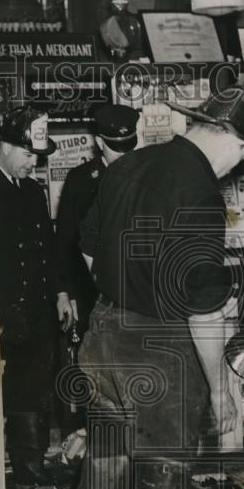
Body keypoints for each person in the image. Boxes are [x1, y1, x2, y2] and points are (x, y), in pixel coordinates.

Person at [62, 86, 244, 489]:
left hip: (105, 334)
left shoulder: (130, 164)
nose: (241, 165)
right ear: (236, 143)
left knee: (105, 465)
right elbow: (203, 311)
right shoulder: (199, 190)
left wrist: (124, 286)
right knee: (162, 483)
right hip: (160, 350)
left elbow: (86, 248)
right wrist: (222, 391)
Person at [0, 105, 73, 488]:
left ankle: (30, 466)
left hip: (37, 308)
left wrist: (59, 292)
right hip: (2, 310)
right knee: (0, 391)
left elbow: (51, 249)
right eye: (26, 155)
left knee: (34, 387)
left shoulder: (33, 192)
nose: (32, 164)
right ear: (3, 146)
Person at [56, 104, 141, 339]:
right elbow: (65, 239)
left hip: (136, 292)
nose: (124, 155)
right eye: (116, 148)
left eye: (128, 147)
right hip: (90, 291)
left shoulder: (147, 176)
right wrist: (65, 292)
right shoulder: (80, 180)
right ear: (100, 143)